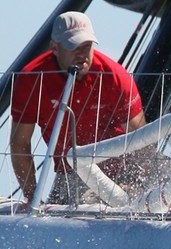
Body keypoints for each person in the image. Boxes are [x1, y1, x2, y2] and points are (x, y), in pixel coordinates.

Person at [10, 11, 146, 205]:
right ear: (54, 48)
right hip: (73, 173)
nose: (82, 54)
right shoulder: (31, 79)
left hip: (123, 168)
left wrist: (139, 181)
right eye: (74, 47)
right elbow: (19, 144)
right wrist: (33, 199)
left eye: (87, 46)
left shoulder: (115, 76)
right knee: (83, 205)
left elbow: (142, 138)